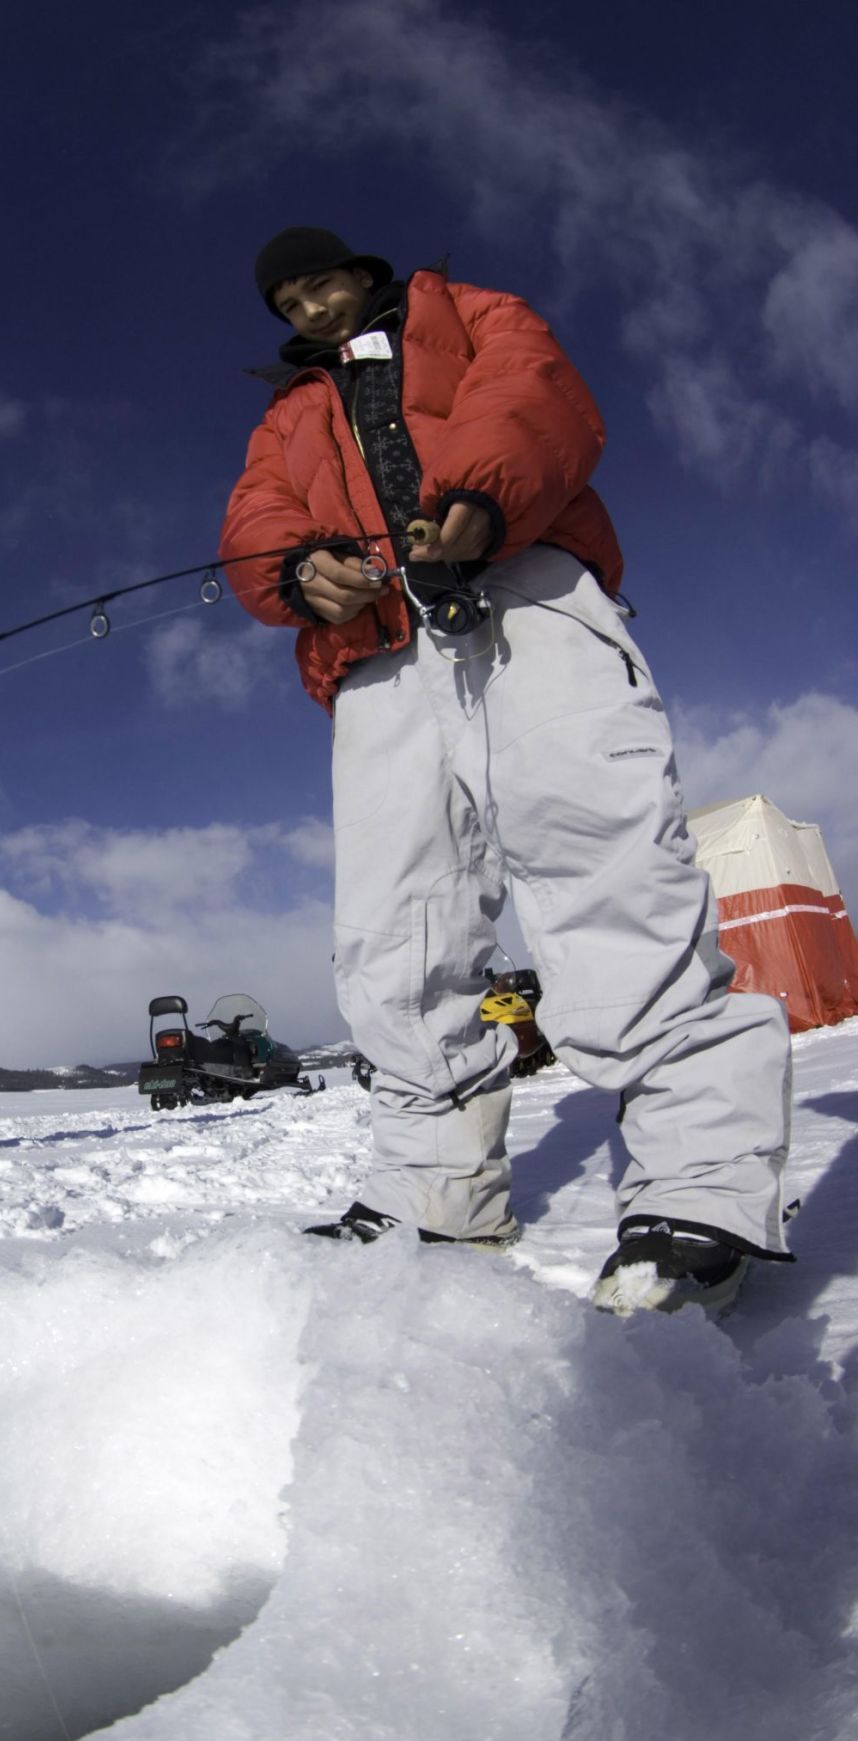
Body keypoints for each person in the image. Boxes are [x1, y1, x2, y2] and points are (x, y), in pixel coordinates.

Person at [220, 226, 793, 1315]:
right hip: (376, 656)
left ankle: (697, 1185)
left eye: (317, 284)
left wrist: (479, 498)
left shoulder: (467, 313)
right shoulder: (284, 416)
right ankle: (432, 1192)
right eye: (287, 302)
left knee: (598, 859)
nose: (307, 309)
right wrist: (298, 570)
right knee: (394, 920)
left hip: (521, 588)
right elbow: (255, 518)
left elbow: (535, 394)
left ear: (359, 273)